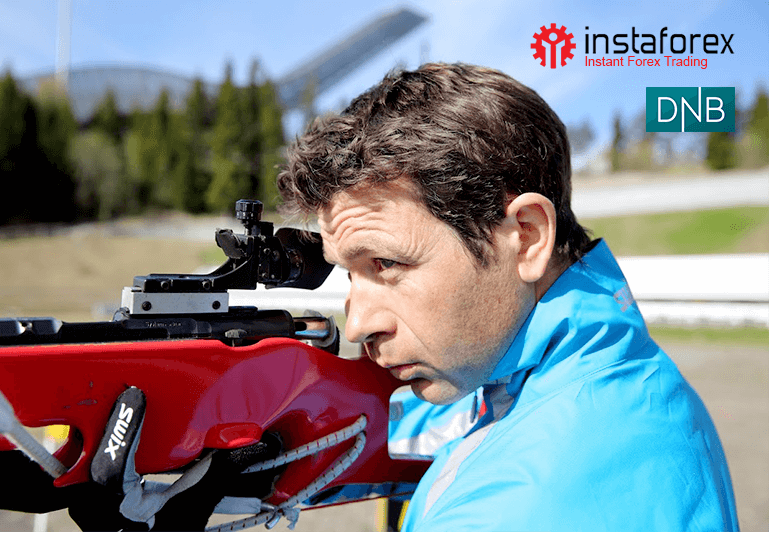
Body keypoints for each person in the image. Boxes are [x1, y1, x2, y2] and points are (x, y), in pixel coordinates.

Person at [276, 62, 739, 531]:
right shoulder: (607, 369)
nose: (357, 325)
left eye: (386, 263)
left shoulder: (509, 509)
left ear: (527, 237)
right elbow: (462, 424)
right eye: (349, 274)